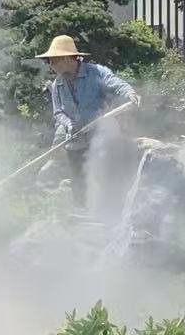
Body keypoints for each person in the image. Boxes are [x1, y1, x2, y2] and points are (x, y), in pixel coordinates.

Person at [37, 34, 135, 208]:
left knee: (104, 176)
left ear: (67, 58)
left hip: (99, 137)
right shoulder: (58, 84)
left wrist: (129, 92)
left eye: (52, 60)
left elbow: (115, 82)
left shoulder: (96, 73)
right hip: (74, 141)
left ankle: (110, 211)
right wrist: (69, 125)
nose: (50, 65)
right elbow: (58, 112)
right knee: (78, 180)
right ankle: (81, 214)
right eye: (49, 61)